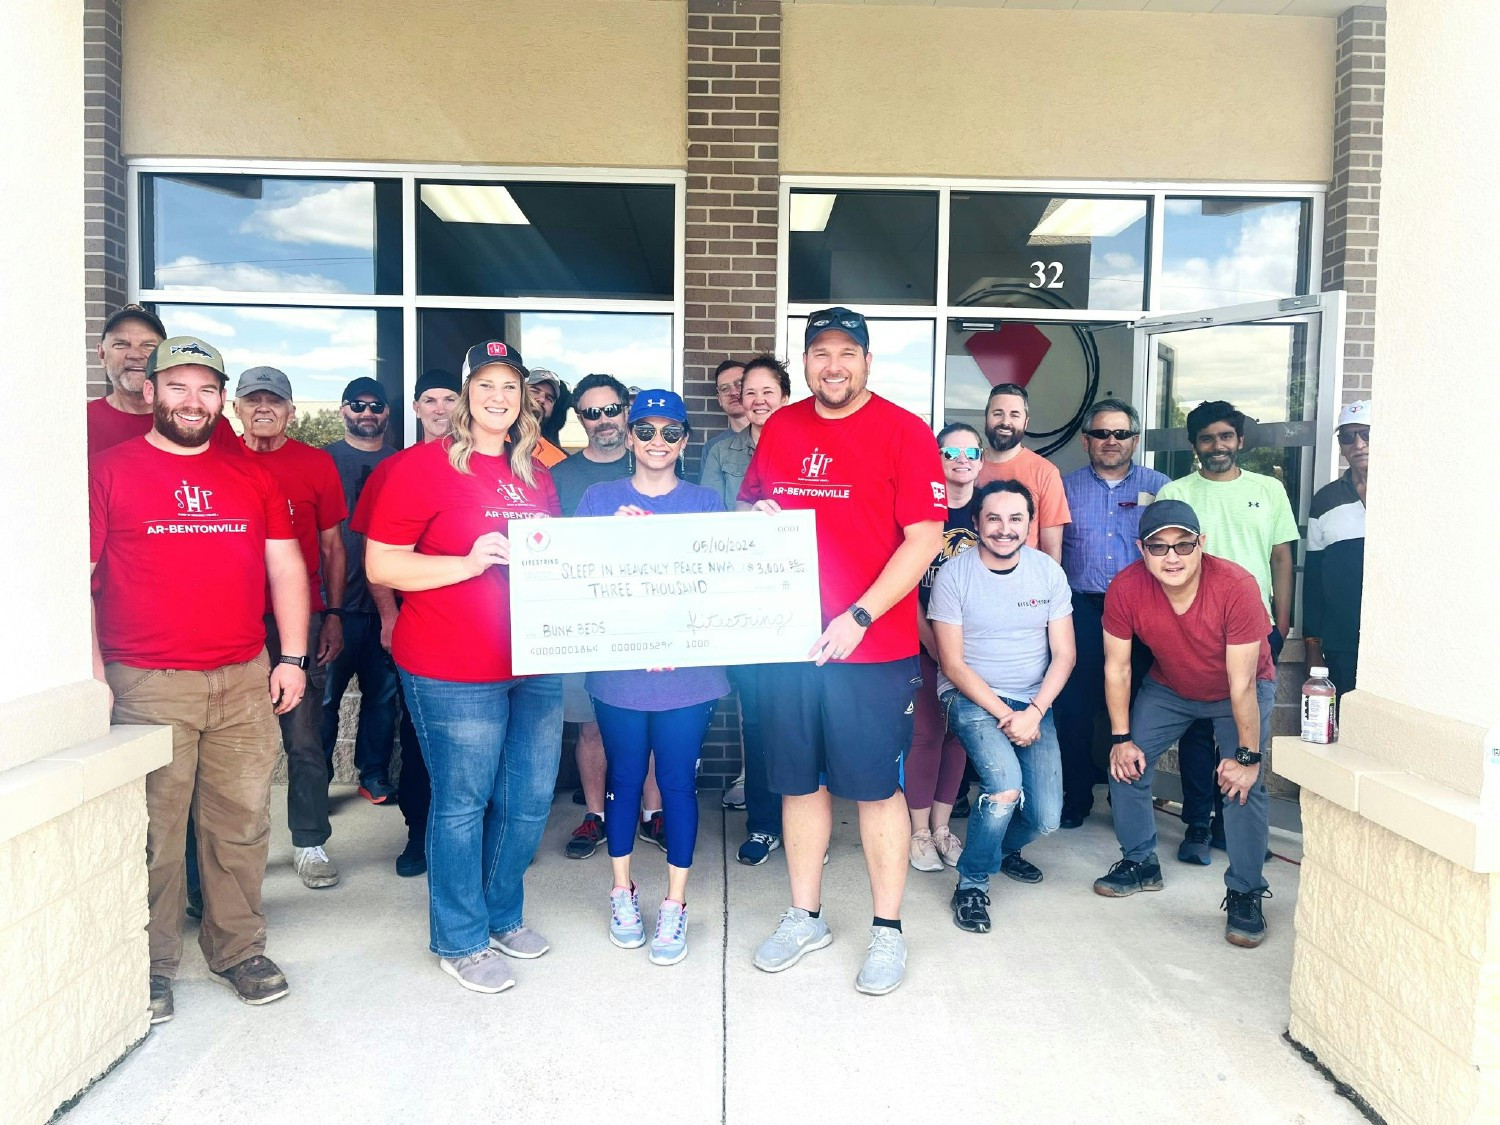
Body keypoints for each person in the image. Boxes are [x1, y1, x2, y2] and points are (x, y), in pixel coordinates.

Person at [90, 336, 308, 1022]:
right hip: (147, 681)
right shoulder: (108, 470)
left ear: (222, 400)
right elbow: (78, 580)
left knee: (240, 825)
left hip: (243, 677)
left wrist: (292, 656)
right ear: (149, 391)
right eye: (177, 386)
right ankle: (149, 963)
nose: (192, 401)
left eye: (206, 388)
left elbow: (286, 567)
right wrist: (93, 677)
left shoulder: (251, 475)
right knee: (154, 834)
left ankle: (237, 946)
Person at [740, 306, 946, 996]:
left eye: (846, 353)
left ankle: (887, 930)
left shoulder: (904, 430)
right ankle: (806, 914)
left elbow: (923, 538)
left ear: (867, 360)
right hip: (789, 643)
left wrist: (860, 613)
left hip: (871, 645)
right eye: (820, 352)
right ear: (805, 361)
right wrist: (755, 520)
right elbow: (750, 507)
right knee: (799, 781)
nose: (833, 365)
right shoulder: (781, 426)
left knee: (875, 788)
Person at [365, 339, 563, 994]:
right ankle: (461, 937)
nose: (499, 398)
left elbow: (556, 560)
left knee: (528, 800)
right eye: (486, 386)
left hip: (534, 660)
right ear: (466, 393)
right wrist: (468, 564)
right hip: (452, 665)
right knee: (462, 803)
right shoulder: (417, 468)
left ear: (525, 397)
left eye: (511, 386)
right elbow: (383, 565)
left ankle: (502, 913)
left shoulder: (536, 470)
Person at [575, 390, 729, 965]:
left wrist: (680, 641)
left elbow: (717, 583)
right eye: (646, 431)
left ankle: (675, 902)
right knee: (623, 776)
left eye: (670, 433)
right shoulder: (599, 498)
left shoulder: (706, 502)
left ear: (685, 441)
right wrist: (607, 537)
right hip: (619, 671)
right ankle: (622, 891)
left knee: (679, 786)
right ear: (630, 437)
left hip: (687, 674)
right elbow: (577, 580)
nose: (657, 443)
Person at [1093, 499, 1277, 950]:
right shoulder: (1126, 587)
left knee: (1241, 784)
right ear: (1141, 549)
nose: (1171, 557)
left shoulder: (1235, 585)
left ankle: (1246, 890)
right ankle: (1140, 862)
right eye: (1159, 547)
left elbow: (1242, 684)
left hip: (1240, 691)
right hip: (1171, 687)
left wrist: (1247, 758)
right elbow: (1116, 667)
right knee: (1126, 763)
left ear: (1201, 545)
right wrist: (1120, 739)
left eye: (1183, 545)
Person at [931, 481, 1076, 933]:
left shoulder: (1048, 573)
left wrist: (1032, 712)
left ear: (1030, 526)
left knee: (1047, 818)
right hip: (970, 696)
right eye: (993, 518)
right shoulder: (954, 575)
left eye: (1016, 519)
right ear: (975, 523)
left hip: (1033, 701)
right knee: (1004, 786)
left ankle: (999, 849)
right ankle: (972, 883)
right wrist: (1005, 713)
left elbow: (1066, 655)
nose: (1004, 529)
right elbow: (952, 664)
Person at [1157, 400, 1297, 863]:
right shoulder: (1177, 492)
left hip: (1255, 629)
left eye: (1225, 437)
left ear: (1238, 440)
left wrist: (1282, 621)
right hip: (1193, 631)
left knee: (1243, 732)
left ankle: (1233, 829)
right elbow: (1162, 561)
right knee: (1197, 732)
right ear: (1195, 445)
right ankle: (1198, 824)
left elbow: (1281, 558)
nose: (1217, 446)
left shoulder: (1270, 489)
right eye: (1206, 439)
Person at [233, 366, 348, 890]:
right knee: (235, 746)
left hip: (296, 621)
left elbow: (331, 547)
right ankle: (236, 851)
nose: (263, 408)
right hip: (228, 620)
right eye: (252, 399)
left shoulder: (314, 462)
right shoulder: (216, 457)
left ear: (290, 410)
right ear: (235, 407)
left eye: (273, 401)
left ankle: (309, 842)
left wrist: (333, 615)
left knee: (303, 739)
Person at [348, 369, 463, 877]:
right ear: (415, 409)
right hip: (420, 627)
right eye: (430, 400)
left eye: (449, 399)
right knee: (419, 741)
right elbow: (376, 556)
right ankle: (418, 835)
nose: (440, 409)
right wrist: (390, 617)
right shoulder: (393, 469)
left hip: (483, 634)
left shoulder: (497, 467)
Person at [550, 373, 666, 859]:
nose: (604, 421)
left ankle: (651, 813)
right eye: (591, 413)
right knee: (590, 723)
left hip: (649, 618)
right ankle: (594, 815)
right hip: (587, 618)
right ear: (580, 418)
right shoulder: (558, 477)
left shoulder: (657, 461)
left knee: (656, 718)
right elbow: (550, 550)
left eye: (612, 410)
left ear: (628, 411)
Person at [1055, 399, 1170, 828]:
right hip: (1080, 610)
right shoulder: (1064, 487)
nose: (1111, 441)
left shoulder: (1161, 487)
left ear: (1135, 440)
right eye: (1102, 433)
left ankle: (1129, 803)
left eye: (1121, 434)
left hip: (1143, 611)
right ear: (1086, 440)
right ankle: (1076, 796)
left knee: (1140, 709)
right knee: (1075, 708)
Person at [698, 356, 793, 864]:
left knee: (800, 717)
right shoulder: (721, 453)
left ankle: (803, 828)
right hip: (743, 601)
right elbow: (713, 522)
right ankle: (763, 825)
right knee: (755, 715)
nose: (756, 400)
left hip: (801, 601)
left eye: (766, 391)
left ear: (785, 393)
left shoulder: (808, 446)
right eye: (748, 392)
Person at [319, 378, 408, 864]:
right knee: (327, 699)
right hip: (335, 604)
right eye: (359, 405)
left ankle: (372, 777)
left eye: (376, 406)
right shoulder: (323, 460)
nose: (368, 412)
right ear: (343, 409)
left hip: (386, 606)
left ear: (388, 413)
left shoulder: (400, 462)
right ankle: (318, 787)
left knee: (382, 699)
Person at [907, 422, 982, 873]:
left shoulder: (990, 511)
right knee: (927, 734)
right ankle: (917, 832)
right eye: (950, 450)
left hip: (977, 648)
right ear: (936, 457)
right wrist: (935, 645)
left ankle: (941, 827)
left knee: (960, 736)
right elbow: (907, 586)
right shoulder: (921, 509)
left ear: (980, 459)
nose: (960, 458)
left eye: (970, 450)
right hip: (924, 642)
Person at [86, 303, 242, 457]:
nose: (135, 354)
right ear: (101, 354)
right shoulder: (82, 421)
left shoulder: (208, 422)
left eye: (148, 345)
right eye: (120, 344)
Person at [1304, 400, 1370, 696]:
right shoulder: (1326, 500)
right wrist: (1313, 645)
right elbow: (1314, 579)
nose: (1358, 443)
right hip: (1341, 639)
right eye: (1348, 436)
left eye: (1367, 433)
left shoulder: (1412, 493)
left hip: (1400, 642)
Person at [974, 383, 1070, 562]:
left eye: (1014, 415)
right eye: (998, 413)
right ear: (986, 417)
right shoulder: (968, 464)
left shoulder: (1045, 472)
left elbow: (1052, 551)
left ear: (1026, 423)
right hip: (970, 579)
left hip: (1024, 584)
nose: (1005, 422)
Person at [702, 358, 749, 457]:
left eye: (739, 385)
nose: (733, 392)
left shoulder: (777, 439)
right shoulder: (713, 448)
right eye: (725, 389)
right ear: (719, 399)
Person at [527, 368, 571, 449]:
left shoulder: (556, 457)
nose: (542, 399)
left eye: (549, 398)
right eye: (535, 391)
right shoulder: (498, 438)